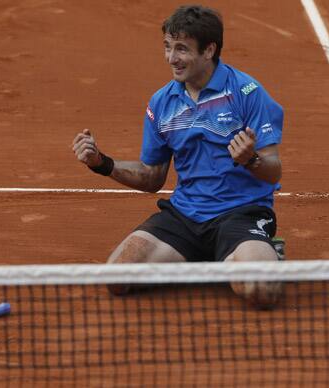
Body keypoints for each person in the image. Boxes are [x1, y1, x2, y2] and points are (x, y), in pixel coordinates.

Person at [72, 5, 285, 308]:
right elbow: (151, 177)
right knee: (117, 278)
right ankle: (219, 257)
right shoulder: (162, 103)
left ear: (209, 50)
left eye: (182, 49)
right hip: (185, 217)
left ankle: (262, 250)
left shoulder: (247, 92)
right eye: (168, 47)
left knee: (261, 289)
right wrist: (102, 164)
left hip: (241, 213)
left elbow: (274, 172)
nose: (172, 58)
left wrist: (251, 159)